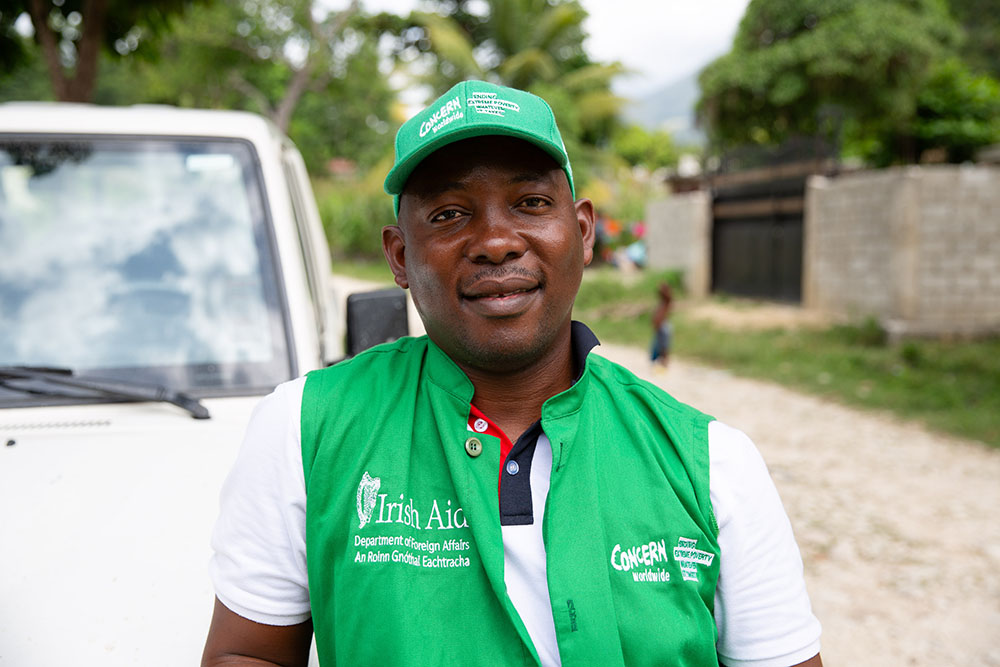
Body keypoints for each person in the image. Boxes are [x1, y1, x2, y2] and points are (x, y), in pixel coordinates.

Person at [202, 80, 822, 667]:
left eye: (530, 203)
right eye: (448, 214)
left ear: (581, 233)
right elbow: (248, 651)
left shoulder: (712, 464)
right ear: (399, 255)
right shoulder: (305, 430)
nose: (496, 241)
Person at [650, 282, 673, 371]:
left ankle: (664, 364)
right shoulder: (662, 302)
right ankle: (660, 363)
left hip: (663, 327)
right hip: (660, 327)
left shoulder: (667, 301)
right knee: (658, 345)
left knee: (663, 347)